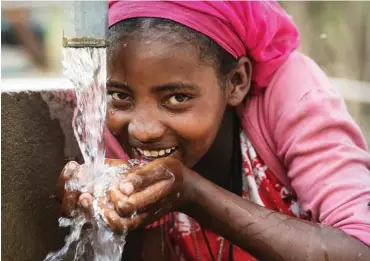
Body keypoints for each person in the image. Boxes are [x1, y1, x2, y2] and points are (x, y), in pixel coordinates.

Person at [58, 1, 370, 260]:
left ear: (237, 81)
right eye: (122, 95)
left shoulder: (292, 95)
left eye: (177, 98)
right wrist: (100, 206)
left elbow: (359, 249)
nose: (142, 130)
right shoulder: (107, 119)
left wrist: (191, 193)